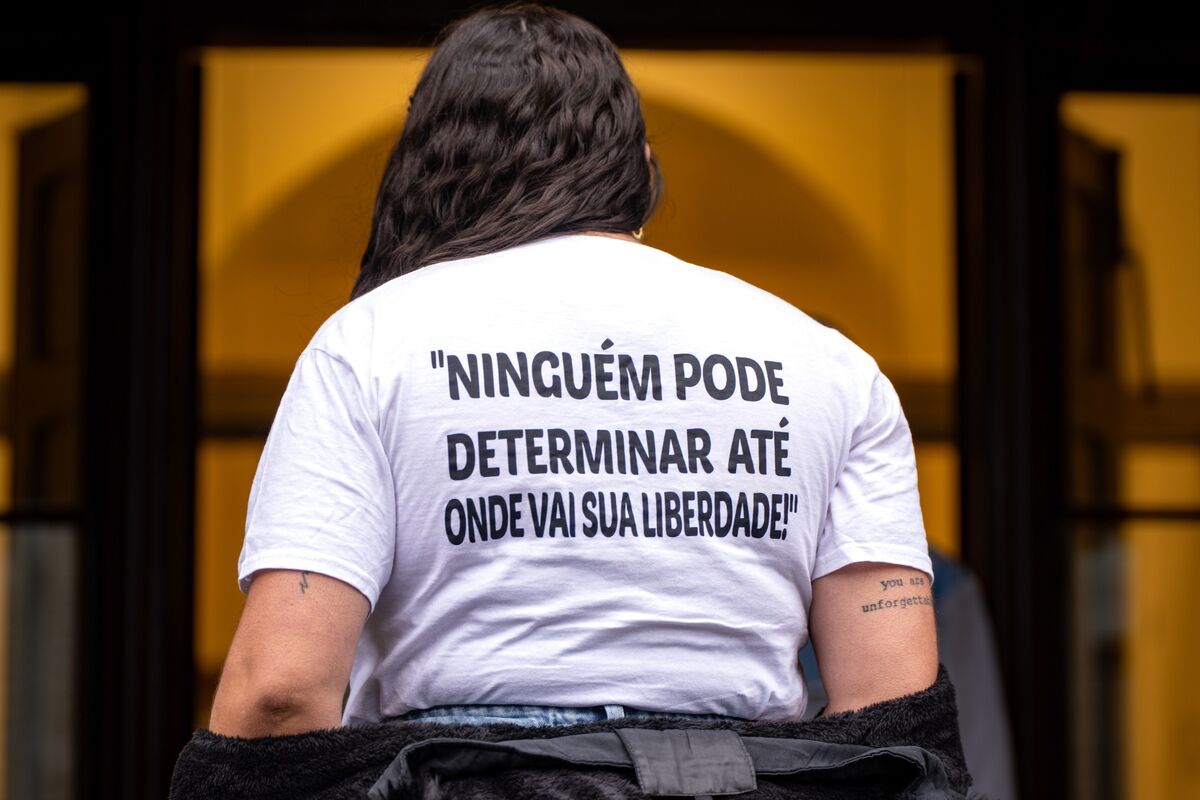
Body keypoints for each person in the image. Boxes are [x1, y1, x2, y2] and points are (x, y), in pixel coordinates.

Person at [207, 2, 939, 742]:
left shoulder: (366, 346)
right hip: (740, 773)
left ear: (430, 171)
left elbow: (281, 691)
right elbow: (892, 702)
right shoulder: (832, 366)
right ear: (642, 172)